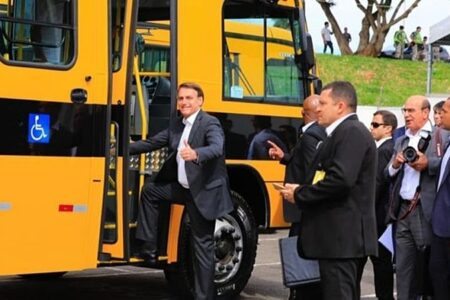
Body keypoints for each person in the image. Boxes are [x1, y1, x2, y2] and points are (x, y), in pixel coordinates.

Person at [130, 82, 234, 300]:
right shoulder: (178, 125)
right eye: (181, 99)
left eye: (189, 98)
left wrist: (196, 154)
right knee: (151, 191)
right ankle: (148, 247)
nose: (184, 102)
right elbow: (151, 143)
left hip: (203, 193)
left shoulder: (210, 123)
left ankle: (203, 296)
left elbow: (217, 148)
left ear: (200, 101)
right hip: (182, 189)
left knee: (202, 247)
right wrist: (121, 147)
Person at [281, 81, 378, 300]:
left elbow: (340, 180)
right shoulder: (339, 133)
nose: (318, 109)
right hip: (334, 240)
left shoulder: (351, 131)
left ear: (341, 106)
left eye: (323, 103)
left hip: (341, 240)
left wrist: (300, 194)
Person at [385, 95, 448, 300]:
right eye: (405, 110)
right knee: (403, 265)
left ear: (425, 113)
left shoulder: (441, 137)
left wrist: (427, 163)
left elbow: (445, 166)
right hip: (402, 210)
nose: (406, 115)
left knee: (428, 264)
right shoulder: (401, 139)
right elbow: (387, 173)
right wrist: (396, 164)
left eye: (411, 111)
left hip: (425, 209)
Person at [267, 94, 326, 300]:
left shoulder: (311, 136)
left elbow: (312, 169)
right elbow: (304, 162)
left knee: (300, 247)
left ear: (304, 113)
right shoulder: (315, 133)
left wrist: (301, 194)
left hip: (302, 203)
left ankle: (300, 289)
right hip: (304, 202)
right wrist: (285, 157)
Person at [357, 110, 397, 300]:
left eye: (375, 125)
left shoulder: (384, 150)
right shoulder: (386, 148)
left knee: (378, 265)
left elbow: (377, 184)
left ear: (388, 128)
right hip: (379, 217)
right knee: (381, 265)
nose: (371, 128)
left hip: (375, 218)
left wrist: (364, 212)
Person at [429, 97, 450, 300]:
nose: (439, 114)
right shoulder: (448, 142)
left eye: (444, 110)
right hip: (440, 227)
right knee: (438, 279)